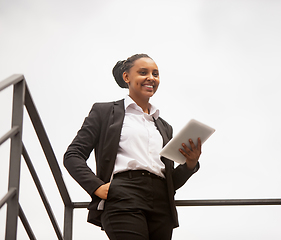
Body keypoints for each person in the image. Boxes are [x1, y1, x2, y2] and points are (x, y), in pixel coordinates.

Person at [63, 53, 202, 240]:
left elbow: (170, 181)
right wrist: (96, 187)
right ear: (126, 77)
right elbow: (73, 155)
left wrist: (190, 164)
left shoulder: (164, 127)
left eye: (155, 74)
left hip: (162, 203)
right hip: (123, 194)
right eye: (143, 72)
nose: (151, 78)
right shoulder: (104, 112)